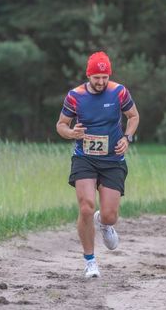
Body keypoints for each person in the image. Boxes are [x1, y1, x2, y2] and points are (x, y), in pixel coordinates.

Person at [56, 51, 140, 278]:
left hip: (113, 160)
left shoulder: (119, 92)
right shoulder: (75, 96)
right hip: (85, 158)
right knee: (86, 206)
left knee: (110, 215)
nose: (101, 82)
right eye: (96, 77)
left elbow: (133, 116)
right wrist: (71, 133)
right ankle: (90, 262)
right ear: (88, 75)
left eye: (105, 77)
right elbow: (61, 125)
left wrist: (127, 138)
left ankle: (104, 223)